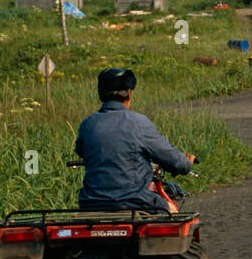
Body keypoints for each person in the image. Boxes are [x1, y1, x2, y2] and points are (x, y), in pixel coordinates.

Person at [76, 68, 195, 213]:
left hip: (91, 203)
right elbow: (173, 159)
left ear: (101, 93)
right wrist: (186, 163)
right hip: (136, 201)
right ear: (129, 92)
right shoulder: (139, 122)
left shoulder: (87, 124)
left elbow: (82, 152)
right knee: (172, 212)